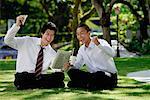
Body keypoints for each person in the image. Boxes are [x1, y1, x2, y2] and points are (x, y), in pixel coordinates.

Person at [4, 15, 65, 90]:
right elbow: (8, 40)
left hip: (39, 78)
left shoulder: (52, 52)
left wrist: (63, 68)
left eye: (52, 35)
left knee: (60, 76)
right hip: (24, 76)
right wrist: (17, 25)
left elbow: (56, 68)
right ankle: (39, 85)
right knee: (24, 78)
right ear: (42, 33)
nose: (49, 38)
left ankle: (35, 85)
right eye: (47, 34)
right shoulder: (27, 41)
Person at [64, 24, 118, 90]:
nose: (80, 36)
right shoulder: (82, 49)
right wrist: (69, 66)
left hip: (108, 76)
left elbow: (112, 54)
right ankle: (88, 84)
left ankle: (81, 84)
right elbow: (77, 66)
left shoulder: (101, 42)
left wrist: (99, 45)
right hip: (92, 76)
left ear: (88, 33)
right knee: (72, 71)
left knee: (99, 75)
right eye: (78, 34)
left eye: (82, 33)